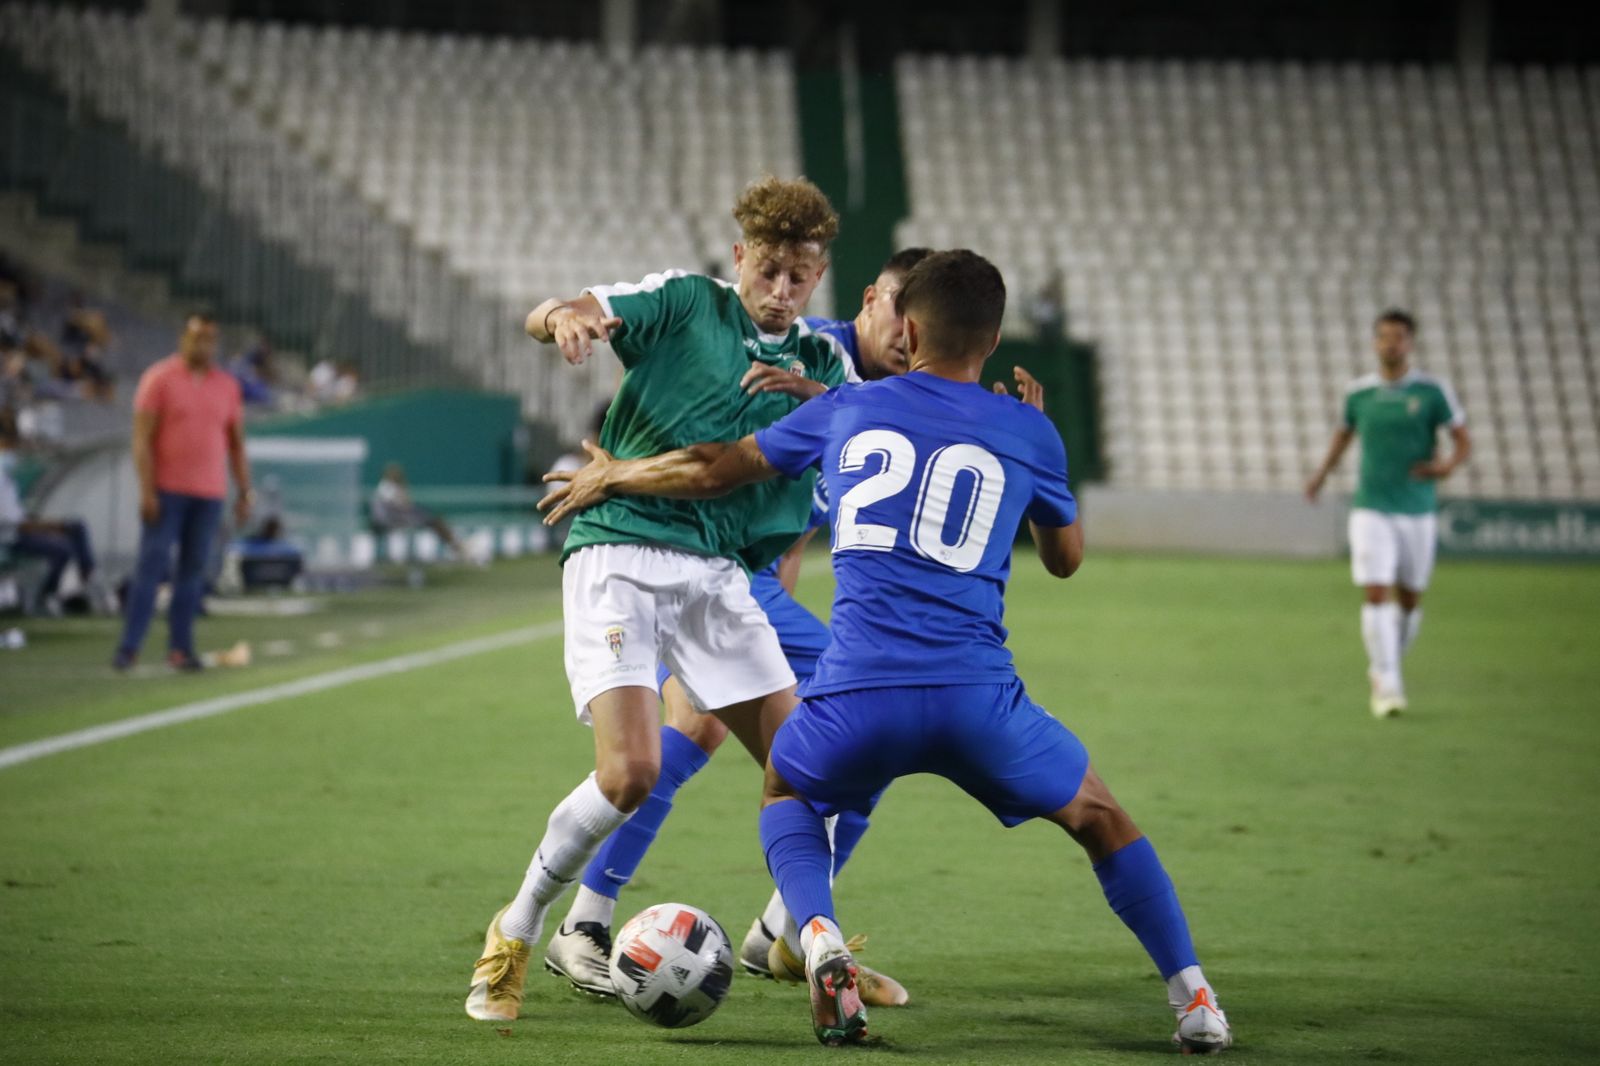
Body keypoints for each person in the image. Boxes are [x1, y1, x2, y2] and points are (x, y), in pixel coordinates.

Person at [540, 250, 1232, 1054]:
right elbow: (1065, 558)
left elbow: (717, 468)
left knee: (787, 786)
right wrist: (1039, 451)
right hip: (980, 699)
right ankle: (1196, 1002)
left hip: (858, 692)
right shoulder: (1025, 427)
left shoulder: (843, 407)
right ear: (997, 335)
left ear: (907, 323)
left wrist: (619, 475)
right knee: (1100, 817)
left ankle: (813, 935)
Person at [464, 176, 850, 1024]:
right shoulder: (685, 302)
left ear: (818, 277)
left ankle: (813, 943)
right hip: (621, 551)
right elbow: (563, 310)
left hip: (716, 574)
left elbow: (875, 429)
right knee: (631, 772)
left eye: (800, 277)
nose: (782, 292)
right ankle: (520, 928)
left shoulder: (823, 361)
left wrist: (821, 402)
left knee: (809, 771)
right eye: (770, 270)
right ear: (741, 257)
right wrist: (560, 318)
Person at [540, 248, 936, 1004]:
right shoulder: (797, 354)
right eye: (897, 309)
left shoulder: (880, 397)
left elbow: (792, 529)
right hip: (690, 562)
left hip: (745, 579)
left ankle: (609, 922)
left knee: (702, 735)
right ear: (867, 300)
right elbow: (714, 461)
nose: (908, 334)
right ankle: (781, 936)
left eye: (924, 323)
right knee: (864, 726)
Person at [1305, 309, 1470, 717]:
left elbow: (1462, 438)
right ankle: (1388, 684)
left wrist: (1447, 465)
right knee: (1375, 591)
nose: (1390, 343)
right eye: (1383, 336)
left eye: (1397, 337)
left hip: (1416, 509)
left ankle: (1384, 667)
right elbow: (1343, 435)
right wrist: (1322, 474)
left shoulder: (1432, 392)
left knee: (1410, 599)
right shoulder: (1359, 393)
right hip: (1371, 507)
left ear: (1409, 343)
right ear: (1375, 342)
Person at [113, 312, 252, 672]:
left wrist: (245, 490)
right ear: (183, 339)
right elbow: (141, 440)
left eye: (209, 339)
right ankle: (129, 647)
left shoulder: (227, 386)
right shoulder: (159, 379)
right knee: (151, 566)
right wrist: (147, 490)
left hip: (209, 493)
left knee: (193, 571)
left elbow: (236, 444)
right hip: (166, 491)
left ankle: (180, 647)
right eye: (196, 338)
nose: (202, 345)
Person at [0, 414, 106, 613]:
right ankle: (47, 596)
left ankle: (88, 577)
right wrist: (51, 527)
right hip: (10, 537)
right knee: (63, 547)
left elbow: (18, 516)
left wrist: (50, 526)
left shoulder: (6, 474)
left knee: (76, 526)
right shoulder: (1, 472)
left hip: (18, 529)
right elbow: (14, 524)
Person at [370, 462, 484, 565]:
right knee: (433, 520)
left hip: (394, 518)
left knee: (434, 520)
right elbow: (404, 504)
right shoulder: (387, 487)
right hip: (389, 521)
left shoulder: (388, 487)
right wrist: (403, 489)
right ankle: (458, 547)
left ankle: (458, 546)